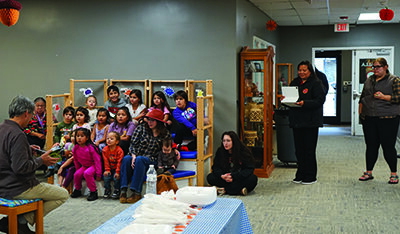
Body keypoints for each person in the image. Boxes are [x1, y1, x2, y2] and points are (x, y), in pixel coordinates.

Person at [0, 96, 69, 233]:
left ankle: (16, 222)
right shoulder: (18, 134)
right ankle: (20, 221)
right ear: (26, 113)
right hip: (18, 187)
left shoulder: (3, 128)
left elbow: (7, 153)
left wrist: (27, 149)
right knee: (62, 194)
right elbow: (20, 168)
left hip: (2, 183)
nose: (32, 118)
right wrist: (42, 160)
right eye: (32, 114)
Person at [358, 57, 400, 184]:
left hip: (388, 118)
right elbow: (363, 96)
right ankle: (368, 172)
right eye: (374, 67)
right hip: (369, 118)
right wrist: (361, 113)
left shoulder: (394, 80)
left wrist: (384, 97)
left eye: (378, 67)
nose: (375, 69)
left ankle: (394, 174)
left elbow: (399, 98)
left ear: (385, 67)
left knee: (388, 147)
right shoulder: (369, 80)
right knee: (371, 146)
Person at [286, 60, 326, 185]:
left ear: (310, 71)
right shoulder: (294, 82)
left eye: (304, 70)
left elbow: (320, 101)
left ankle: (310, 176)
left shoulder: (316, 83)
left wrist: (305, 103)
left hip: (311, 121)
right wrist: (285, 100)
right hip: (297, 120)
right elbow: (291, 98)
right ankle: (300, 174)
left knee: (309, 149)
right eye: (300, 70)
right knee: (299, 150)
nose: (301, 72)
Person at [119, 109, 171, 204]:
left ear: (158, 122)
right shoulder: (141, 128)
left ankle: (136, 192)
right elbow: (133, 144)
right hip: (137, 155)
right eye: (148, 119)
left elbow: (168, 146)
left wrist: (175, 150)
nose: (150, 122)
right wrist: (133, 155)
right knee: (127, 159)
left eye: (152, 120)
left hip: (152, 159)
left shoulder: (165, 133)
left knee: (140, 160)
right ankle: (123, 190)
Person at [207, 131, 258, 196]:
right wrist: (222, 176)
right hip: (225, 178)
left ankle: (224, 190)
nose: (225, 143)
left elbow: (249, 169)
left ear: (234, 141)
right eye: (224, 141)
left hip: (238, 178)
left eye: (228, 141)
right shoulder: (220, 151)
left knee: (252, 179)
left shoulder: (243, 151)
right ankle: (238, 190)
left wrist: (234, 177)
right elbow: (215, 167)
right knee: (210, 177)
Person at [70, 128, 102, 201]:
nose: (79, 138)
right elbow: (76, 160)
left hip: (93, 165)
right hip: (84, 166)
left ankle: (93, 192)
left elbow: (97, 161)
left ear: (87, 138)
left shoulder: (91, 147)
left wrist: (98, 174)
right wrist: (78, 170)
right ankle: (78, 190)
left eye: (82, 136)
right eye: (77, 136)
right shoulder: (75, 148)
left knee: (87, 173)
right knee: (77, 174)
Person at [45, 106, 75, 178]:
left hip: (69, 144)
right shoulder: (60, 125)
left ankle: (58, 165)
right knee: (53, 150)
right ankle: (51, 169)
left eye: (70, 115)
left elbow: (75, 135)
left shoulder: (73, 125)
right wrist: (56, 142)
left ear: (73, 116)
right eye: (66, 114)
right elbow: (57, 135)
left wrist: (70, 137)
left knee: (62, 152)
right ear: (63, 115)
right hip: (61, 143)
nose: (68, 116)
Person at [103, 131, 124, 199]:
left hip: (117, 168)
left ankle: (116, 190)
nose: (109, 140)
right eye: (107, 138)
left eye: (111, 139)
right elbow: (105, 161)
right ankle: (107, 189)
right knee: (106, 176)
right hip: (109, 167)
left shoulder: (119, 150)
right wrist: (107, 170)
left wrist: (117, 172)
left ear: (117, 141)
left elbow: (119, 162)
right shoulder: (105, 149)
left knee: (116, 178)